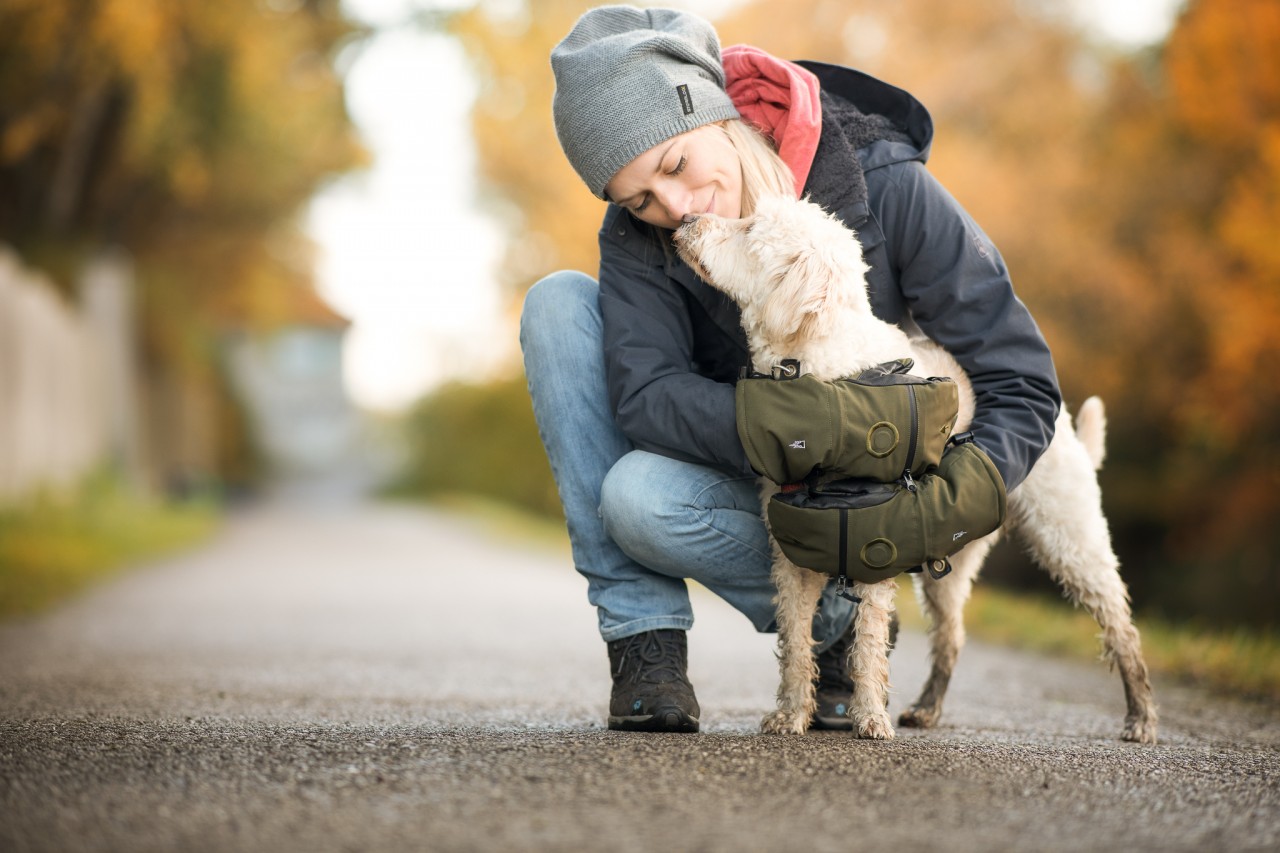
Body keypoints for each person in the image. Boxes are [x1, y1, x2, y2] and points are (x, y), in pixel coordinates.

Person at [521, 5, 1060, 733]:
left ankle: (844, 621)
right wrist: (799, 426)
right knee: (568, 331)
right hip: (745, 466)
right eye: (640, 197)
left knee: (644, 494)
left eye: (675, 165)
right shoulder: (638, 239)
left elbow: (1020, 377)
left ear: (712, 108)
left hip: (874, 497)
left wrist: (949, 503)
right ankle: (645, 644)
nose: (674, 207)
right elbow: (646, 395)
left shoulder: (882, 180)